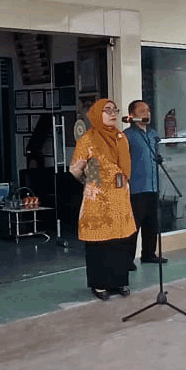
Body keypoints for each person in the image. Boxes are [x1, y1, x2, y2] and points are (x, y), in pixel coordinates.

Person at [70, 99, 137, 300]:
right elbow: (75, 169)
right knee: (99, 243)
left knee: (120, 242)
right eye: (107, 110)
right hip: (97, 200)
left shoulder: (121, 138)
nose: (112, 113)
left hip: (119, 197)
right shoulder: (87, 139)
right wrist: (90, 181)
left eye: (114, 110)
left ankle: (119, 282)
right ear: (97, 114)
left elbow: (126, 166)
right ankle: (99, 285)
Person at [124, 100, 168, 267]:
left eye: (148, 110)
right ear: (132, 115)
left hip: (153, 185)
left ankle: (149, 254)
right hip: (136, 188)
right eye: (142, 111)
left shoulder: (153, 134)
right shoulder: (127, 135)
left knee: (152, 222)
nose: (147, 113)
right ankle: (127, 259)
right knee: (134, 225)